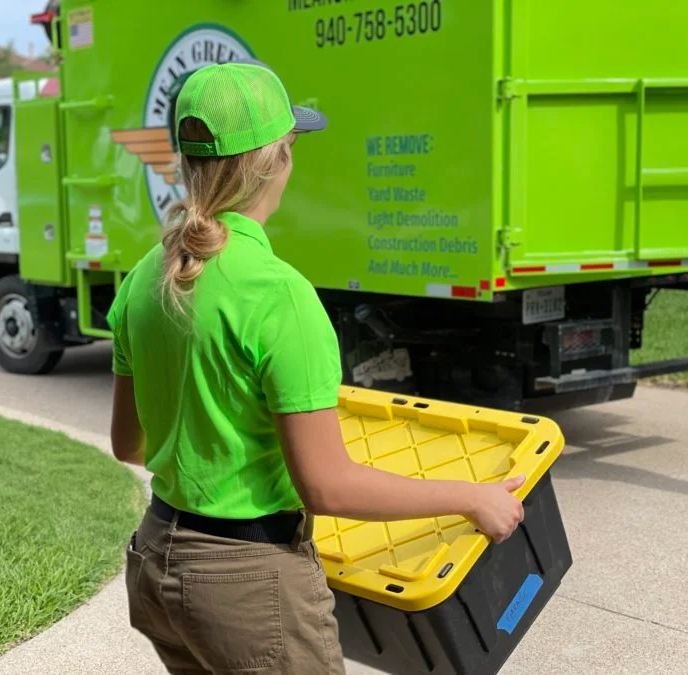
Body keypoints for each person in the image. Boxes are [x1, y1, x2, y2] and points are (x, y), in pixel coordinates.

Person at [107, 60, 526, 674]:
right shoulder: (279, 294)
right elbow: (327, 487)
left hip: (156, 562)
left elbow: (129, 442)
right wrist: (471, 497)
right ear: (278, 160)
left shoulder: (146, 276)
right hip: (245, 584)